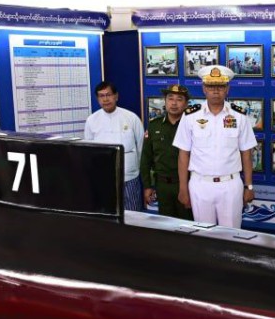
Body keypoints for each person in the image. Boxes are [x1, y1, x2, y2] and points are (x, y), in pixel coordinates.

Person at [174, 65, 257, 228]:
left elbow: (246, 153)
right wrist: (183, 188)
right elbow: (183, 154)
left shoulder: (239, 115)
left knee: (231, 234)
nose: (216, 91)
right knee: (203, 233)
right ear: (204, 88)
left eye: (220, 86)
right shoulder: (190, 116)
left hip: (230, 185)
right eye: (211, 86)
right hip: (200, 184)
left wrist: (249, 186)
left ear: (227, 89)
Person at [83, 80, 144, 210]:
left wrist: (137, 169)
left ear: (116, 96)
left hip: (129, 178)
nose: (105, 99)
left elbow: (141, 147)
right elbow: (89, 151)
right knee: (107, 214)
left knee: (134, 214)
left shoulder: (131, 117)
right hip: (103, 179)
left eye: (108, 95)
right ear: (97, 99)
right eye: (101, 96)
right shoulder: (91, 120)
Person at [140, 84, 193, 220]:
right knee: (166, 225)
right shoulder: (154, 126)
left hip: (187, 184)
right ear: (165, 101)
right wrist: (147, 186)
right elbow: (146, 158)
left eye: (179, 99)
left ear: (186, 104)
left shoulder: (192, 126)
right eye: (170, 98)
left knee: (188, 225)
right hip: (162, 186)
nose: (174, 103)